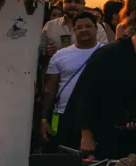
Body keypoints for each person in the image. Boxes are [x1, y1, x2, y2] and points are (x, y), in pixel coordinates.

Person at [62, 11, 136, 158]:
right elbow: (85, 93)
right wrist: (86, 134)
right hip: (100, 133)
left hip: (129, 137)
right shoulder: (109, 54)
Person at [41, 12, 103, 142]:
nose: (84, 30)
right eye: (79, 27)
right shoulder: (60, 55)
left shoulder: (108, 53)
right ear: (74, 30)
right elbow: (49, 90)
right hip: (63, 115)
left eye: (88, 26)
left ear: (96, 28)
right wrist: (44, 119)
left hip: (98, 116)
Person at [40, 0, 108, 58]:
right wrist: (46, 52)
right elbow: (37, 52)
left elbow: (103, 54)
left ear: (83, 4)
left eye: (77, 2)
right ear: (63, 3)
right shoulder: (50, 26)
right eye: (68, 1)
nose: (73, 5)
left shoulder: (96, 28)